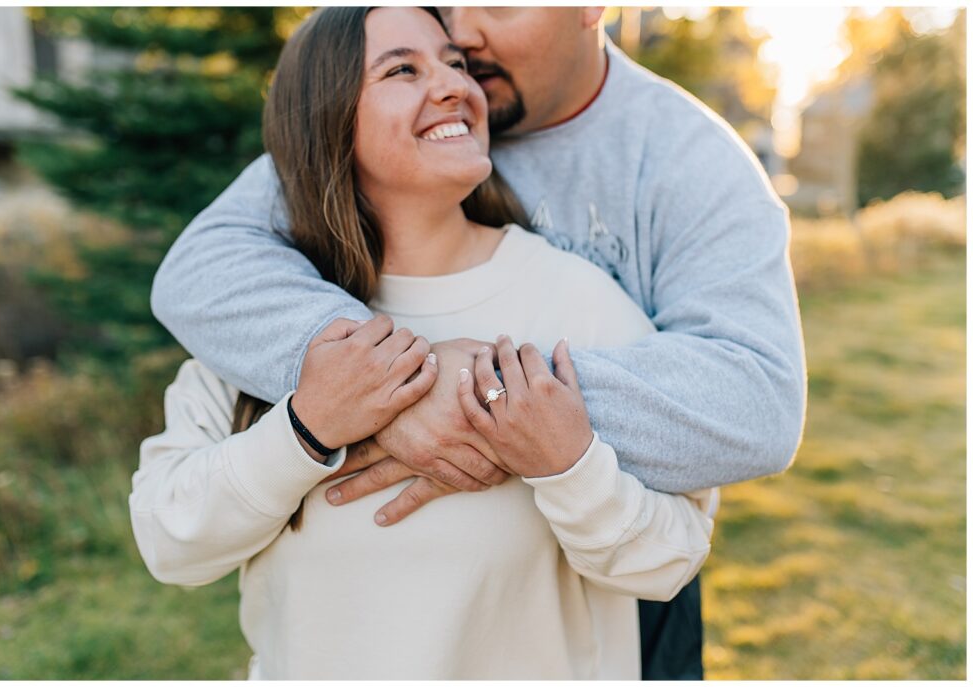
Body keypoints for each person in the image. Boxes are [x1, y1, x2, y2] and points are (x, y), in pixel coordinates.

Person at [149, 6, 807, 680]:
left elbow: (755, 405)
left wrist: (496, 398)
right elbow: (199, 268)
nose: (460, 33)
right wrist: (381, 388)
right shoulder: (339, 193)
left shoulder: (685, 162)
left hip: (614, 599)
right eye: (415, 56)